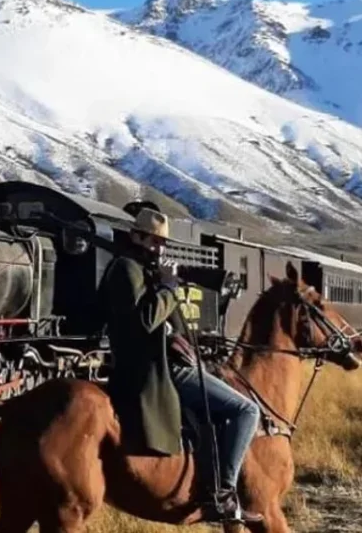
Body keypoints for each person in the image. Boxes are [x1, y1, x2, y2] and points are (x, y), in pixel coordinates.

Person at [100, 207, 263, 525]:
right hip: (155, 369)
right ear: (136, 236)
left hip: (162, 358)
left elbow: (154, 322)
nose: (159, 248)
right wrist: (169, 288)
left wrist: (176, 335)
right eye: (154, 241)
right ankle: (224, 495)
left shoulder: (140, 269)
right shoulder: (127, 269)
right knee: (247, 411)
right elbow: (144, 320)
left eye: (163, 243)